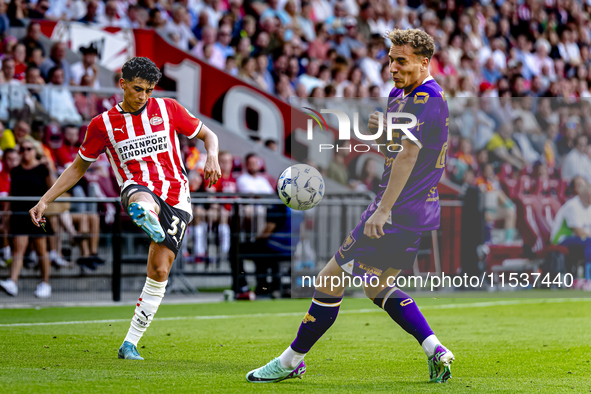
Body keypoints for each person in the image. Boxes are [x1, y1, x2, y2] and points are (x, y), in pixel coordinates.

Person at [246, 29, 454, 384]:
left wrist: (383, 210)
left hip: (398, 207)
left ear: (424, 62)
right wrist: (384, 132)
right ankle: (435, 349)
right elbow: (395, 149)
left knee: (330, 279)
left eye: (401, 60)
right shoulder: (400, 96)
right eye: (390, 59)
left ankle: (290, 360)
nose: (392, 67)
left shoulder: (425, 98)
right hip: (416, 209)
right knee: (378, 285)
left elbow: (408, 155)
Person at [28, 57, 221, 360]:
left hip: (177, 198)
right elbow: (78, 167)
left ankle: (129, 343)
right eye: (137, 89)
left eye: (148, 90)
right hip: (138, 188)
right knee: (138, 196)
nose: (143, 96)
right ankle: (146, 214)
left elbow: (209, 135)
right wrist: (45, 200)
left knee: (159, 271)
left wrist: (212, 156)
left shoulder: (168, 108)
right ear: (122, 84)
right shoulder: (102, 124)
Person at [0, 137, 54, 298]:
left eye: (29, 148)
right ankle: (12, 281)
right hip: (20, 214)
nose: (25, 152)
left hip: (38, 213)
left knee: (41, 250)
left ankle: (45, 283)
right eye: (22, 149)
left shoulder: (42, 168)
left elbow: (53, 188)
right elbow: (11, 194)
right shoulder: (16, 170)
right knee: (18, 249)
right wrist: (6, 217)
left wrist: (50, 167)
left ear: (34, 150)